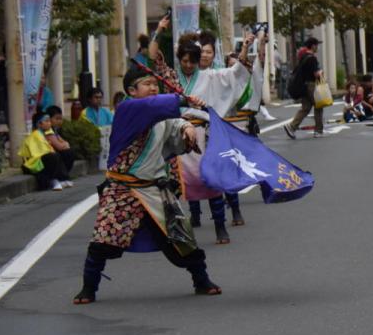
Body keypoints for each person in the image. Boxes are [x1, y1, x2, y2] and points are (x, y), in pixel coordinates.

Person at [71, 65, 220, 304]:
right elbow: (155, 107)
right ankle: (88, 288)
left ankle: (201, 280)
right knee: (102, 241)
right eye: (147, 84)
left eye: (155, 84)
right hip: (123, 189)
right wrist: (182, 99)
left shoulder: (159, 115)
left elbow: (175, 122)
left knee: (182, 238)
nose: (153, 88)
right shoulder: (127, 109)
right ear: (132, 90)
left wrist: (188, 127)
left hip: (155, 188)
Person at [152, 26, 253, 244]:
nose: (188, 65)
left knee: (212, 180)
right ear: (179, 59)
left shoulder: (210, 76)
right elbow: (155, 59)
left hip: (203, 136)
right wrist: (158, 32)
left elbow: (235, 73)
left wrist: (244, 48)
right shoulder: (172, 78)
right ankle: (177, 230)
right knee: (172, 186)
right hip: (178, 136)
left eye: (192, 61)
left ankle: (220, 226)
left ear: (198, 61)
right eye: (184, 61)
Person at [19, 110, 73, 191]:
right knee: (53, 156)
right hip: (31, 164)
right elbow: (41, 153)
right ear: (39, 124)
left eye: (49, 121)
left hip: (38, 160)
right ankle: (54, 180)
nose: (49, 123)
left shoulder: (42, 134)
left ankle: (61, 179)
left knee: (65, 153)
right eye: (46, 121)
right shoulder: (36, 135)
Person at [283, 36, 324, 139]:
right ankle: (318, 130)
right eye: (317, 45)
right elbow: (316, 74)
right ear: (313, 46)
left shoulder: (303, 57)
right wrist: (321, 73)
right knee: (319, 106)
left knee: (305, 108)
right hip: (311, 85)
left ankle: (291, 126)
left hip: (304, 86)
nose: (317, 47)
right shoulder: (312, 58)